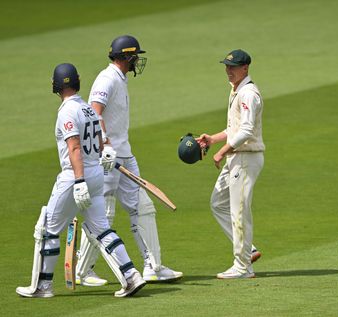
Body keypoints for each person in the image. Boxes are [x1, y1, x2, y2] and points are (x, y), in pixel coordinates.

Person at [16, 63, 146, 298]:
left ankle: (42, 286)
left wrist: (78, 181)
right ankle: (131, 276)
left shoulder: (67, 111)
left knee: (48, 229)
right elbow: (99, 139)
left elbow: (74, 147)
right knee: (102, 230)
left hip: (75, 177)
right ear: (77, 82)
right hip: (96, 174)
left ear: (56, 85)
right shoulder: (87, 108)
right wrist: (105, 151)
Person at [75, 35, 182, 286]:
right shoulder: (107, 78)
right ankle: (83, 270)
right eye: (135, 56)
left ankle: (153, 266)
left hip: (125, 155)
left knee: (143, 207)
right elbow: (93, 111)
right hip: (108, 158)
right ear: (126, 57)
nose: (137, 61)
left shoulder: (120, 78)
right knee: (104, 214)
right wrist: (105, 145)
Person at [196, 49, 264, 279]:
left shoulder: (248, 94)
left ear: (245, 68)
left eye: (232, 67)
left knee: (239, 211)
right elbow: (235, 127)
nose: (228, 71)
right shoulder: (235, 91)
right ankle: (249, 250)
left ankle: (243, 266)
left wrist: (222, 151)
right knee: (218, 203)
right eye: (226, 66)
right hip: (237, 157)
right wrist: (214, 139)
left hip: (246, 158)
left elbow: (246, 130)